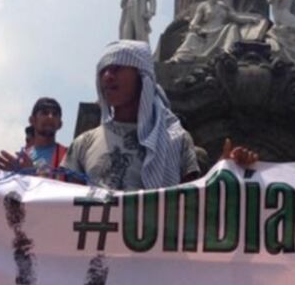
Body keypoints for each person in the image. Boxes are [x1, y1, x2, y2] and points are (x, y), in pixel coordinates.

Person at [62, 40, 201, 190]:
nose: (107, 76)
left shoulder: (178, 140)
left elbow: (191, 202)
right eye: (103, 70)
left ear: (142, 76)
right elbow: (67, 204)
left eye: (117, 68)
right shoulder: (83, 144)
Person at [169, 0, 267, 63]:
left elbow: (236, 17)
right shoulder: (203, 5)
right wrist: (194, 26)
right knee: (191, 37)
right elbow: (194, 21)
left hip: (220, 32)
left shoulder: (223, 6)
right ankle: (178, 58)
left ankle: (227, 52)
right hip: (206, 34)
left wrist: (252, 19)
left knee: (232, 27)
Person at [0, 98, 69, 178]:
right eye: (44, 113)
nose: (50, 117)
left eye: (55, 114)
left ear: (60, 124)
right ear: (32, 120)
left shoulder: (69, 155)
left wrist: (31, 173)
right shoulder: (23, 158)